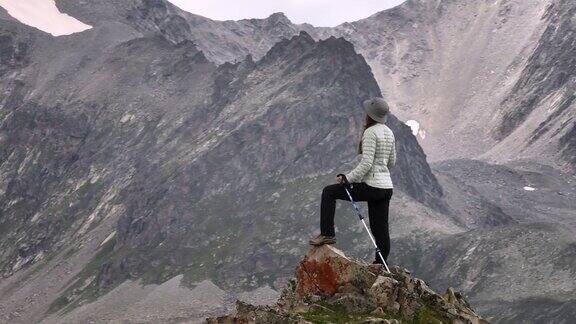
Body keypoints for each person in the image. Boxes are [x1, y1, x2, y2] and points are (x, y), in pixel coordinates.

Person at [309, 97, 396, 264]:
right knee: (381, 230)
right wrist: (380, 171)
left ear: (370, 114)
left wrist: (347, 178)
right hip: (386, 188)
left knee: (329, 192)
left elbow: (367, 162)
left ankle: (327, 234)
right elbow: (391, 162)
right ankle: (380, 265)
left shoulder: (370, 132)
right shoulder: (389, 132)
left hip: (372, 187)